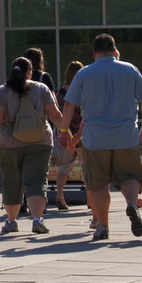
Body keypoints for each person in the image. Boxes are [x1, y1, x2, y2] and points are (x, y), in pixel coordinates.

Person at [58, 33, 142, 241]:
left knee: (99, 184)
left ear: (94, 53)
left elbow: (69, 104)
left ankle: (103, 226)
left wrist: (65, 131)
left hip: (95, 138)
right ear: (114, 50)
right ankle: (131, 204)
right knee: (130, 176)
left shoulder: (84, 74)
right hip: (126, 135)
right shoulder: (130, 70)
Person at [0, 56, 64, 233]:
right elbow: (55, 114)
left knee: (11, 181)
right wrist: (66, 133)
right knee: (37, 180)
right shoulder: (41, 89)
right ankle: (37, 219)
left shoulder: (2, 91)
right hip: (40, 141)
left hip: (8, 143)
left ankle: (11, 221)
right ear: (29, 72)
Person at [54, 60, 84, 211]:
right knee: (87, 164)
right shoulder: (82, 90)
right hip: (81, 132)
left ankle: (59, 194)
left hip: (66, 132)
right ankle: (92, 198)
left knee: (65, 166)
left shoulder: (60, 92)